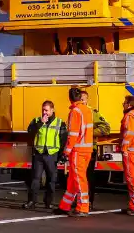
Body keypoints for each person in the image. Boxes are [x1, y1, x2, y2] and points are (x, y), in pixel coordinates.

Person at [56, 87, 93, 217]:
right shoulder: (88, 110)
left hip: (78, 150)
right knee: (73, 178)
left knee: (78, 179)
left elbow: (73, 135)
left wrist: (66, 152)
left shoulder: (75, 112)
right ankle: (65, 205)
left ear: (70, 98)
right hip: (86, 150)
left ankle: (83, 207)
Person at [24, 100, 67, 209]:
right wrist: (40, 123)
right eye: (43, 110)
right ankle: (32, 201)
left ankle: (49, 202)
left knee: (51, 180)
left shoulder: (59, 123)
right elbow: (30, 132)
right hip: (39, 154)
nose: (44, 112)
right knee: (35, 179)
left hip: (52, 155)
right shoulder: (37, 120)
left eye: (47, 110)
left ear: (52, 110)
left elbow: (63, 140)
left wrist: (61, 154)